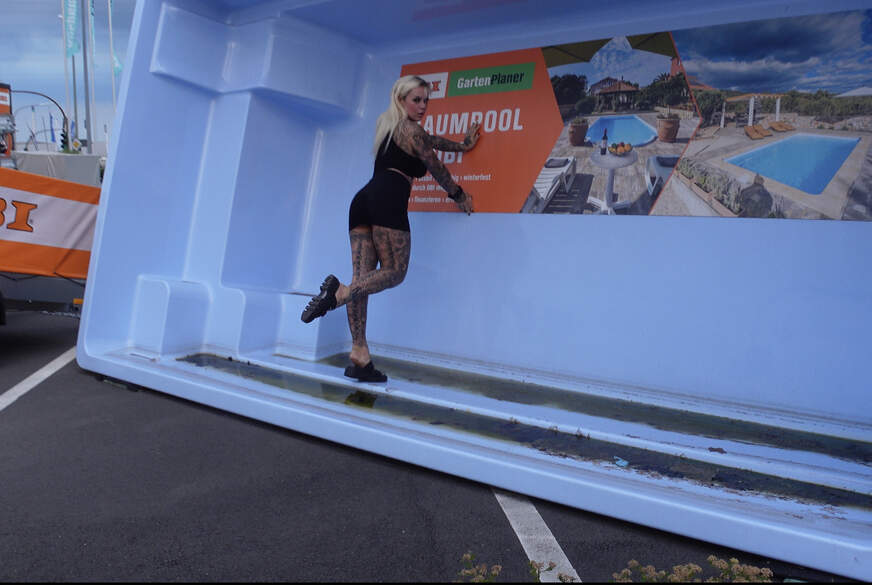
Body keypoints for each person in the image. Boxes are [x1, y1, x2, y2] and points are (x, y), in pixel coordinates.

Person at [300, 75, 481, 383]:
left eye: (426, 100)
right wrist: (459, 195)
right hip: (387, 199)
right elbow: (436, 167)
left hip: (363, 201)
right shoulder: (411, 130)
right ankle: (340, 293)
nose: (423, 106)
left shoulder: (388, 126)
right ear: (401, 99)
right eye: (416, 100)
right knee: (395, 272)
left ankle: (359, 355)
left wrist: (462, 146)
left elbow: (430, 141)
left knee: (363, 280)